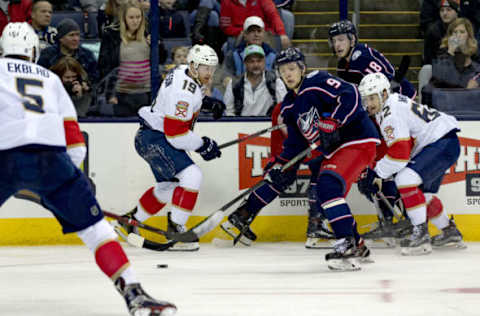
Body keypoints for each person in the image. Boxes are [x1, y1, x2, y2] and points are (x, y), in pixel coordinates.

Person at [0, 22, 176, 316]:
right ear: (32, 51)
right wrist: (66, 181)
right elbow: (75, 144)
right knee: (96, 230)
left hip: (4, 155)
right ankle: (134, 293)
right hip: (51, 159)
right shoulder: (50, 79)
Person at [264, 47, 380, 271]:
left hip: (358, 139)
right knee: (326, 193)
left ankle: (347, 245)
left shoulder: (316, 81)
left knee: (327, 186)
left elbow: (352, 94)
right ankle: (357, 243)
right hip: (337, 150)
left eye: (292, 68)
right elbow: (296, 145)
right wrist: (279, 166)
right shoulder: (291, 105)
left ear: (302, 69)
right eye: (283, 70)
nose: (288, 74)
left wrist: (335, 120)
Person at [117, 44, 225, 251]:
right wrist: (204, 145)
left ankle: (130, 221)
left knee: (168, 188)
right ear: (193, 66)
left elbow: (182, 98)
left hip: (148, 136)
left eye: (212, 68)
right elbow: (176, 135)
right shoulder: (184, 93)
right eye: (205, 68)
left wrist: (208, 102)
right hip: (156, 138)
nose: (209, 73)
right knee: (193, 176)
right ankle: (176, 228)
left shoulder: (182, 71)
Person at [358, 72, 465, 255]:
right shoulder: (390, 104)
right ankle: (449, 232)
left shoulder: (389, 112)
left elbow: (400, 154)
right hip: (444, 142)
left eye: (372, 97)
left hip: (440, 143)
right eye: (365, 99)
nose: (368, 104)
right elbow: (402, 152)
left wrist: (376, 173)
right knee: (423, 194)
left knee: (405, 179)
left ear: (384, 93)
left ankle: (421, 234)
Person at [221, 101, 335, 248]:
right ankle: (316, 226)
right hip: (289, 146)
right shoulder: (295, 103)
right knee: (317, 172)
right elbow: (294, 132)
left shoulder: (298, 100)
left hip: (290, 145)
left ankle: (241, 216)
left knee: (297, 175)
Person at [98, 0, 167, 116]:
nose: (135, 21)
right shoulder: (111, 34)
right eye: (131, 18)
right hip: (120, 94)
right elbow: (104, 64)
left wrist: (157, 46)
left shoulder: (149, 32)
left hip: (147, 93)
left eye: (138, 17)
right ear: (124, 18)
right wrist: (111, 94)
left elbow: (162, 59)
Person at [328, 20, 417, 99]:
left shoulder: (361, 58)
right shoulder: (342, 64)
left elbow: (388, 82)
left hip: (402, 96)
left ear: (352, 40)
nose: (337, 45)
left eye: (341, 39)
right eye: (334, 41)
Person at [422, 17, 480, 105]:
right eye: (455, 32)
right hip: (444, 102)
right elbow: (441, 78)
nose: (458, 35)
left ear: (469, 36)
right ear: (450, 36)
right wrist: (450, 51)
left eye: (462, 32)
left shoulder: (475, 55)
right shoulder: (442, 54)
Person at [224, 44, 286, 116]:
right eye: (251, 61)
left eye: (259, 61)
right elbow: (229, 111)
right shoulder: (233, 84)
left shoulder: (276, 82)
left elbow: (283, 108)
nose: (256, 65)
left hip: (269, 124)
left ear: (264, 62)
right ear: (245, 63)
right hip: (241, 125)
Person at [38, 18, 99, 84]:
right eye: (71, 35)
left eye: (77, 35)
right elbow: (40, 78)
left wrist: (86, 85)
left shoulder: (87, 55)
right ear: (61, 38)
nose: (76, 39)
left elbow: (95, 79)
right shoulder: (48, 54)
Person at [423, 0, 460, 65]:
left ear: (456, 12)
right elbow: (429, 58)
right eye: (442, 10)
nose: (444, 13)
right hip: (439, 66)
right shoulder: (433, 31)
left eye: (449, 10)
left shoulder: (464, 28)